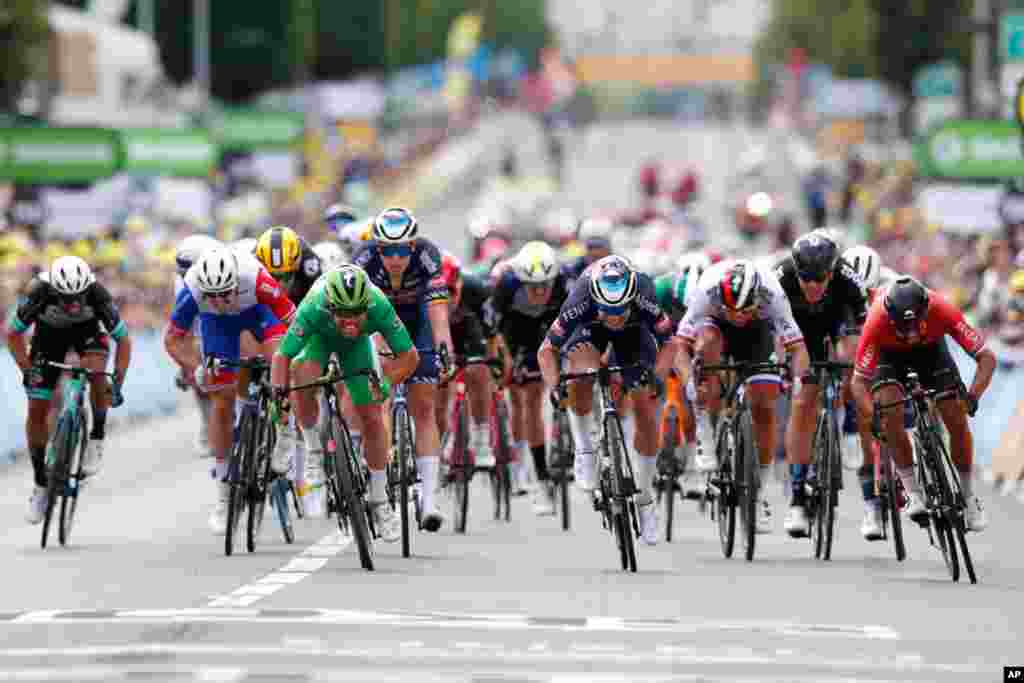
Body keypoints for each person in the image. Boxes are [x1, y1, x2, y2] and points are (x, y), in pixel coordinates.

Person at [538, 255, 680, 545]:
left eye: (620, 311)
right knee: (581, 373)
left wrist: (659, 375)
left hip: (635, 335)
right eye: (608, 311)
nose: (614, 318)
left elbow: (670, 343)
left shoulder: (644, 293)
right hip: (590, 329)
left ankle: (645, 501)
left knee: (645, 407)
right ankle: (585, 449)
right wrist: (555, 386)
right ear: (596, 301)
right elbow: (546, 351)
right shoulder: (580, 297)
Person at [270, 265, 419, 538]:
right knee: (302, 378)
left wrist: (385, 385)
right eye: (342, 314)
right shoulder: (314, 306)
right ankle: (314, 452)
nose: (350, 322)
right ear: (330, 307)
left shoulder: (379, 305)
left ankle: (380, 500)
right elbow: (282, 356)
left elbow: (410, 357)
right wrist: (279, 393)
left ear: (367, 306)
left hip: (357, 349)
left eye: (356, 314)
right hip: (319, 340)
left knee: (373, 419)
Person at [164, 247, 295, 534]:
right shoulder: (193, 291)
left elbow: (292, 321)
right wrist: (195, 366)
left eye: (226, 293)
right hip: (218, 326)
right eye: (214, 296)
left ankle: (285, 432)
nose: (222, 301)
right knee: (221, 400)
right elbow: (172, 340)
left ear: (236, 283)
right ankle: (224, 496)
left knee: (278, 363)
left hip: (258, 313)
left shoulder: (257, 279)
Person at [674, 259, 810, 534]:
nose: (737, 317)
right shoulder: (707, 291)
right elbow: (679, 348)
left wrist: (797, 380)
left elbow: (798, 349)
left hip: (758, 331)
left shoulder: (772, 294)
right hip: (714, 328)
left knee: (764, 403)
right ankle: (706, 430)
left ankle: (758, 493)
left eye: (742, 310)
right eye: (731, 310)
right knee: (707, 351)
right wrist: (691, 384)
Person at [851, 276, 995, 533]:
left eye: (916, 324)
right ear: (890, 317)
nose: (911, 333)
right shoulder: (876, 320)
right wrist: (873, 415)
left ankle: (968, 495)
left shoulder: (942, 309)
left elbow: (986, 357)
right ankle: (913, 491)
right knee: (889, 412)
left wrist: (973, 395)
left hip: (932, 353)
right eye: (904, 327)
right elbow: (858, 382)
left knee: (956, 417)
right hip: (889, 355)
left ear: (926, 311)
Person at [8, 256, 133, 524]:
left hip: (87, 335)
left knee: (98, 373)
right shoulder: (38, 292)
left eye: (78, 297)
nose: (73, 304)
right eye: (65, 298)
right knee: (37, 408)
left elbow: (123, 340)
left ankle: (97, 437)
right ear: (53, 290)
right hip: (47, 339)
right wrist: (26, 369)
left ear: (87, 288)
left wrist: (118, 383)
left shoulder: (98, 294)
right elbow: (13, 334)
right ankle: (41, 483)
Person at [351, 207, 454, 531]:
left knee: (424, 407)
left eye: (401, 250)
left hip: (416, 321)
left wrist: (443, 345)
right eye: (387, 251)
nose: (394, 258)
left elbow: (437, 309)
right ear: (377, 248)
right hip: (377, 319)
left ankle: (429, 499)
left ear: (412, 246)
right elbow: (361, 312)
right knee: (378, 395)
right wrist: (377, 349)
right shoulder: (363, 259)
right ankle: (380, 479)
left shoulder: (427, 255)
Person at [773, 231, 870, 538]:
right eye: (807, 280)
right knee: (803, 402)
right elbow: (773, 330)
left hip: (838, 318)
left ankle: (851, 420)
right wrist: (784, 367)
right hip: (799, 330)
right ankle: (798, 495)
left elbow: (867, 328)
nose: (813, 286)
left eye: (820, 279)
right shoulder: (781, 278)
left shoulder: (847, 277)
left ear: (831, 271)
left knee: (850, 355)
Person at [487, 241, 570, 514]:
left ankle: (541, 478)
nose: (539, 292)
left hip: (544, 327)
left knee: (533, 402)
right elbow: (494, 327)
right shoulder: (507, 283)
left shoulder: (561, 282)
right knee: (516, 397)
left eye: (544, 285)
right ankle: (517, 463)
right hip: (513, 327)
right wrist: (505, 358)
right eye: (533, 286)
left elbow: (569, 324)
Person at [436, 251, 499, 470]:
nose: (447, 299)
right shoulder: (424, 295)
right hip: (439, 333)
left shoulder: (476, 289)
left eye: (451, 291)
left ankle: (481, 439)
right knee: (440, 387)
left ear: (460, 283)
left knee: (478, 370)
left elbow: (491, 335)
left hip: (469, 331)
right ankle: (444, 441)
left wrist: (492, 363)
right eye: (440, 293)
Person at [174, 233, 222, 458]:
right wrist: (186, 365)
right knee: (197, 367)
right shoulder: (183, 284)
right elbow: (184, 331)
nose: (187, 279)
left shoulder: (224, 265)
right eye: (183, 276)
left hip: (230, 306)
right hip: (205, 319)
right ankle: (206, 423)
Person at [562, 217, 614, 288]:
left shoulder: (620, 269)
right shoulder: (572, 271)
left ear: (609, 248)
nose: (595, 252)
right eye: (591, 247)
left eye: (599, 246)